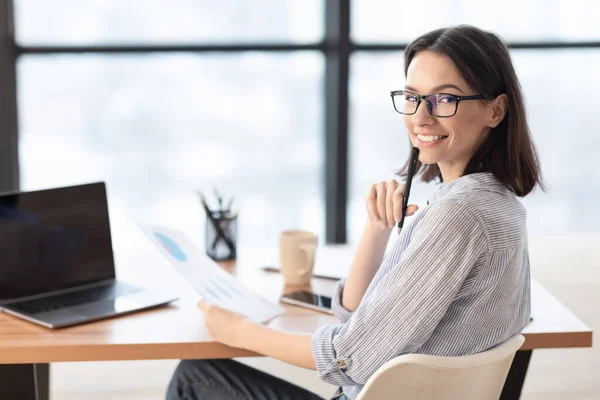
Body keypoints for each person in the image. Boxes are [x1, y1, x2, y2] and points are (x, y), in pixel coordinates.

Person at [166, 24, 544, 400]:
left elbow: (348, 358)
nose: (420, 118)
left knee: (194, 377)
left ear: (495, 110)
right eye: (412, 98)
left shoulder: (458, 217)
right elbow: (356, 321)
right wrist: (377, 229)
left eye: (444, 99)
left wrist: (241, 332)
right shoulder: (500, 205)